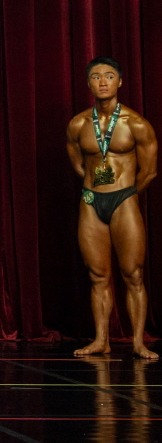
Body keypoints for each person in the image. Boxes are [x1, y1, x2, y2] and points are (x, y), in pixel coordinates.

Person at [67, 56, 157, 360]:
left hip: (124, 199)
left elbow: (149, 171)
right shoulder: (78, 124)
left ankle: (138, 342)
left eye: (108, 76)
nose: (102, 82)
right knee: (97, 275)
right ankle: (101, 340)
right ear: (88, 83)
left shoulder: (136, 124)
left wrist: (126, 193)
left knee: (133, 274)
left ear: (119, 82)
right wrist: (94, 188)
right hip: (91, 201)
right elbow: (78, 164)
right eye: (96, 77)